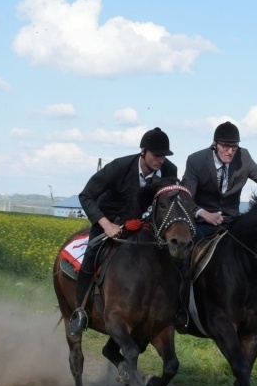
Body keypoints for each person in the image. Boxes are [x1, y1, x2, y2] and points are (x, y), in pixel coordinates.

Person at [67, 127, 178, 338]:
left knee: (173, 258)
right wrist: (107, 225)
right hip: (110, 220)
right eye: (156, 155)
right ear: (143, 151)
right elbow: (86, 196)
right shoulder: (119, 167)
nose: (161, 160)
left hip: (145, 226)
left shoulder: (169, 170)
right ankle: (80, 311)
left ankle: (173, 310)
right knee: (91, 255)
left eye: (164, 155)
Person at [180, 121, 257, 330]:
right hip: (202, 222)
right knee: (184, 254)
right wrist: (204, 213)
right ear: (215, 144)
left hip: (232, 223)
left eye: (234, 147)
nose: (230, 152)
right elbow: (186, 198)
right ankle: (181, 308)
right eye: (225, 147)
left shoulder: (244, 157)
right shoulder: (195, 160)